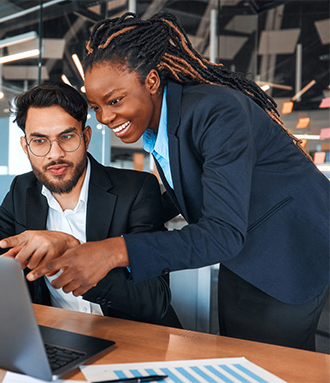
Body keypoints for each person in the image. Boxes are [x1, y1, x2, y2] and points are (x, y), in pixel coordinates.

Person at [19, 12, 330, 351]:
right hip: (245, 252)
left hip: (290, 251)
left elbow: (223, 233)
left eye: (115, 100)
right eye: (97, 107)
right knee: (240, 357)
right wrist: (128, 212)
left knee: (271, 365)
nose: (106, 118)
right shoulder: (164, 124)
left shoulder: (216, 111)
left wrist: (113, 250)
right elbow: (194, 190)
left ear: (151, 81)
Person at [0, 82, 181, 328]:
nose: (55, 154)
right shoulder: (23, 191)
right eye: (39, 141)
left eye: (67, 137)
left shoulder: (135, 190)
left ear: (86, 137)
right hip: (57, 335)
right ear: (25, 147)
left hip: (131, 340)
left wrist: (75, 254)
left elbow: (155, 300)